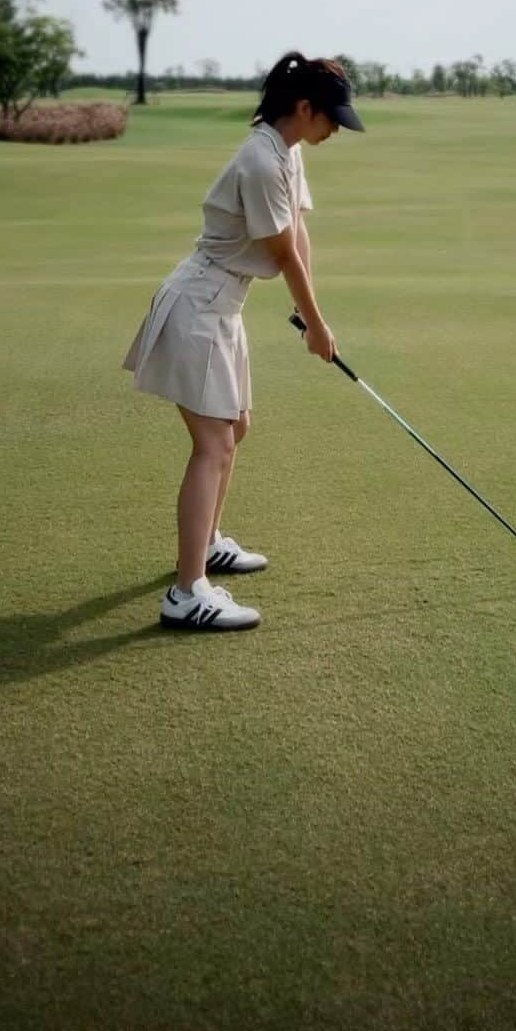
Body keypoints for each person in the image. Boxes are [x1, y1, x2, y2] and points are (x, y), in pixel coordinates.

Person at [123, 53, 364, 632]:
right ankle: (187, 593)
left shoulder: (287, 152)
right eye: (330, 117)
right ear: (303, 108)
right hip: (199, 305)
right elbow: (280, 255)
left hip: (222, 307)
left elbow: (296, 232)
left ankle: (207, 545)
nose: (334, 129)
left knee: (237, 429)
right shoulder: (260, 160)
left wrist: (309, 317)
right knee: (214, 444)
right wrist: (318, 324)